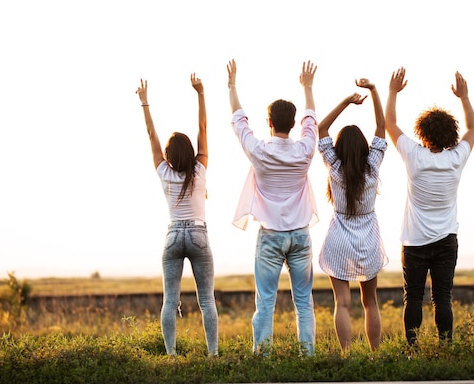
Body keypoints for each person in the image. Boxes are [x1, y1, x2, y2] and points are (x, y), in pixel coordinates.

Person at [227, 59, 318, 355]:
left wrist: (231, 85)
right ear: (292, 125)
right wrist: (307, 87)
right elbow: (312, 120)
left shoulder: (259, 151)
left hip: (270, 237)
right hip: (301, 235)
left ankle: (262, 356)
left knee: (265, 301)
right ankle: (308, 355)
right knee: (303, 300)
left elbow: (239, 121)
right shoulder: (305, 150)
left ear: (268, 123)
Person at [384, 67, 474, 345]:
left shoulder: (414, 155)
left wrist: (391, 92)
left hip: (414, 242)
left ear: (422, 133)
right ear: (451, 135)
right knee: (442, 298)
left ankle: (412, 349)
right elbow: (473, 129)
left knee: (412, 296)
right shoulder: (456, 158)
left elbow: (390, 123)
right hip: (447, 240)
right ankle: (445, 348)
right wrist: (464, 97)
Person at [135, 75, 218, 356]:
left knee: (170, 301)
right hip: (198, 233)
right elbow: (203, 126)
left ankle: (170, 354)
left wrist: (144, 101)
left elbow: (151, 135)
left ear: (168, 156)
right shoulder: (200, 169)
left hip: (172, 235)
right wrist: (201, 93)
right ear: (192, 152)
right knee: (207, 300)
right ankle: (213, 354)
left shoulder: (163, 171)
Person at [317, 78, 388, 352]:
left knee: (342, 303)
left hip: (339, 240)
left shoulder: (333, 167)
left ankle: (346, 354)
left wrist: (346, 102)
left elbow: (321, 128)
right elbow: (381, 127)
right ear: (363, 148)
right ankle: (374, 354)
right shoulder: (372, 167)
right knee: (370, 302)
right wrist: (374, 90)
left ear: (339, 149)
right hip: (368, 240)